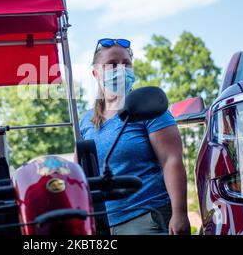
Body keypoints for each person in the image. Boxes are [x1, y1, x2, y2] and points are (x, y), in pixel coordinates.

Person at [79, 38, 191, 235]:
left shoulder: (149, 108)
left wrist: (180, 213)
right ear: (96, 73)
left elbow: (171, 160)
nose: (120, 69)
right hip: (102, 224)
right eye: (112, 64)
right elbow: (81, 173)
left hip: (146, 218)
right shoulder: (86, 120)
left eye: (126, 64)